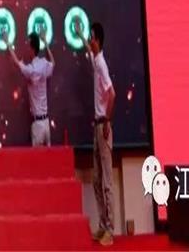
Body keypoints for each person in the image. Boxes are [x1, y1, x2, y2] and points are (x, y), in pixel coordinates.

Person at [77, 19, 116, 247]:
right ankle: (102, 224)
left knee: (107, 181)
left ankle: (110, 228)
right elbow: (90, 52)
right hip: (97, 127)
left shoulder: (102, 64)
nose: (90, 41)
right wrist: (81, 35)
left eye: (91, 38)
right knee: (96, 180)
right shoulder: (96, 59)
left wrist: (108, 120)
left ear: (98, 40)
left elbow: (112, 94)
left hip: (103, 126)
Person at [4, 28, 55, 146]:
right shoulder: (44, 64)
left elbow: (16, 62)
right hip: (46, 123)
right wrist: (46, 42)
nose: (26, 49)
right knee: (48, 156)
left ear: (32, 49)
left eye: (28, 46)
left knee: (37, 157)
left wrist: (7, 43)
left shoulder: (31, 70)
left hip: (37, 125)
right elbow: (53, 63)